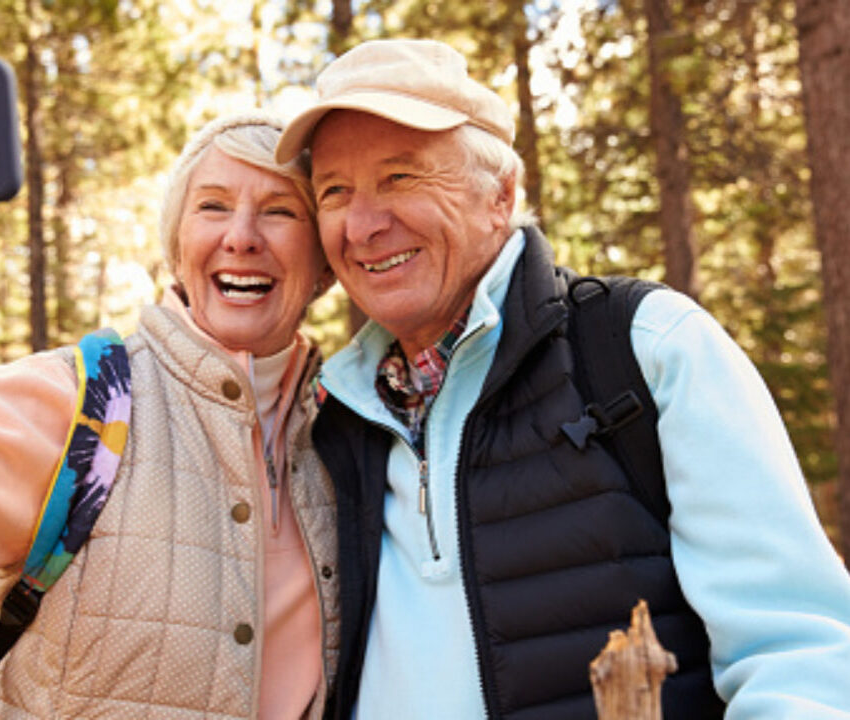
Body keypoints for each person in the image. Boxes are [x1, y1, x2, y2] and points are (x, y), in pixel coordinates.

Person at [274, 38, 850, 719]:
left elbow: (799, 655)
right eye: (335, 191)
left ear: (500, 196)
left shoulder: (644, 346)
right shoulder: (332, 420)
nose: (364, 224)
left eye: (401, 178)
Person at [0, 111, 339, 719]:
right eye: (213, 207)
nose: (243, 236)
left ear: (326, 259)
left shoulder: (349, 436)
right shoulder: (79, 402)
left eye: (280, 211)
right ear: (176, 249)